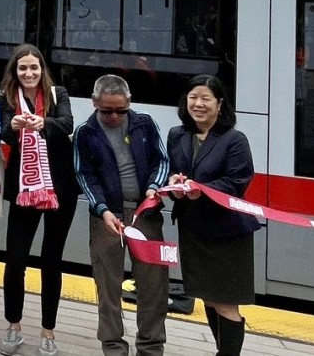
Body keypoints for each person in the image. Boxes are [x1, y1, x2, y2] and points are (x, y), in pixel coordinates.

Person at [73, 74, 170, 356]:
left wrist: (153, 189)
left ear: (129, 103)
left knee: (154, 283)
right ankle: (113, 345)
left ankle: (151, 346)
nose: (114, 116)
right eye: (106, 110)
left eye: (120, 110)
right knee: (107, 284)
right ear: (94, 103)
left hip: (145, 212)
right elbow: (85, 176)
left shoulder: (144, 123)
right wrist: (102, 210)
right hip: (106, 215)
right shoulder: (85, 132)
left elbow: (161, 161)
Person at [166, 75, 260, 356]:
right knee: (207, 296)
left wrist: (201, 190)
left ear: (220, 104)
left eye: (206, 98)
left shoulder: (234, 139)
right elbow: (171, 175)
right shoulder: (177, 134)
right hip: (193, 230)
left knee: (226, 302)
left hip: (226, 234)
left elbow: (238, 181)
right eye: (193, 97)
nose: (198, 104)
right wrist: (176, 185)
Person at [0, 44, 79, 356]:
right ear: (15, 72)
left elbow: (68, 124)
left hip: (60, 188)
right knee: (15, 259)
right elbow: (2, 132)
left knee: (51, 261)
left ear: (42, 69)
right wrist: (13, 126)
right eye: (23, 69)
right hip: (24, 188)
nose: (29, 73)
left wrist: (43, 123)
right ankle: (13, 326)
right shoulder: (5, 98)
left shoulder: (58, 94)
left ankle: (48, 331)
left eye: (34, 68)